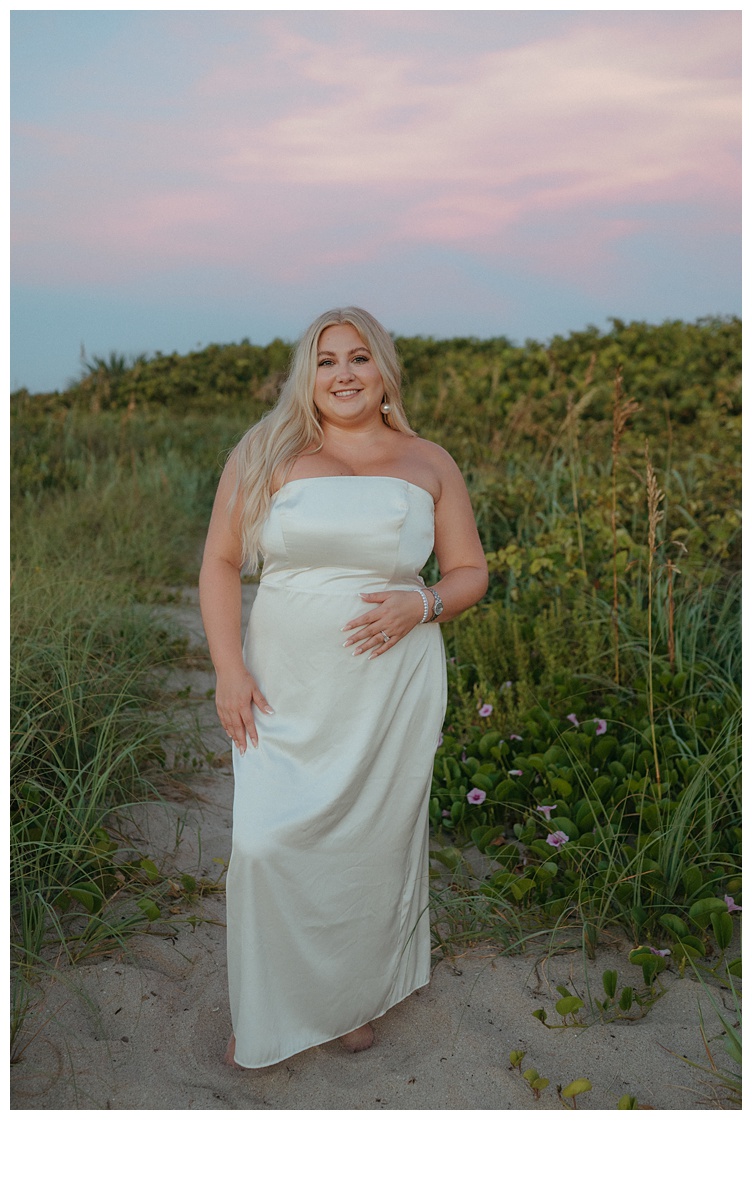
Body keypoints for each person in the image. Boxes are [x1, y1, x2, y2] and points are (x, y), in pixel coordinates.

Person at [199, 306, 488, 1068]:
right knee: (266, 843)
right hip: (283, 684)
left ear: (383, 369)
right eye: (327, 361)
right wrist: (229, 667)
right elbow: (222, 564)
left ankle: (349, 1002)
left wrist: (419, 603)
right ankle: (269, 1011)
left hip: (391, 685)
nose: (344, 374)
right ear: (309, 375)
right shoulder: (267, 449)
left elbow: (469, 573)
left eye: (359, 358)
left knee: (370, 845)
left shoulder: (429, 461)